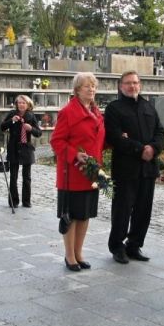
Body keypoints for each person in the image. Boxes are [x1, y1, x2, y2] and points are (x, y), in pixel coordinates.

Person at [104, 70, 164, 264]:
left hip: (148, 169)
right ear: (121, 86)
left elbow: (160, 132)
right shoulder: (114, 108)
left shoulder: (148, 106)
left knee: (143, 210)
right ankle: (117, 246)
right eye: (128, 83)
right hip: (126, 168)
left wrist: (153, 148)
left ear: (140, 85)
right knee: (122, 210)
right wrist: (140, 149)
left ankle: (134, 245)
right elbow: (114, 136)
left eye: (136, 82)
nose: (132, 86)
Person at [50, 72, 105, 272]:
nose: (91, 89)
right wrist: (75, 155)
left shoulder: (97, 112)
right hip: (72, 173)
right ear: (77, 90)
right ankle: (69, 255)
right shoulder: (68, 112)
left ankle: (79, 252)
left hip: (91, 173)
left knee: (85, 215)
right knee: (72, 215)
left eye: (93, 86)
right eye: (86, 86)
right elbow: (56, 141)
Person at [1, 95, 42, 208]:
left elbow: (38, 133)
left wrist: (31, 129)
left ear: (28, 104)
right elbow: (2, 127)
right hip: (14, 148)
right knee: (13, 177)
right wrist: (11, 121)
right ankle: (13, 201)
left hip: (26, 149)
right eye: (19, 103)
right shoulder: (12, 113)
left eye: (23, 103)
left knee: (27, 177)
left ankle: (26, 201)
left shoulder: (31, 116)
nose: (21, 105)